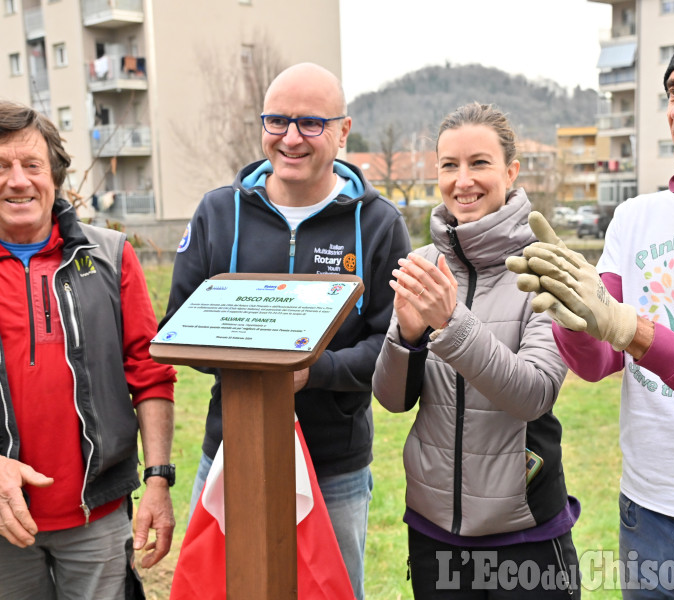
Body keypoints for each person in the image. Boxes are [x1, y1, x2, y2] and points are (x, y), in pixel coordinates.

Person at [508, 16, 674, 599]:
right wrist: (568, 310)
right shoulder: (636, 217)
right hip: (646, 514)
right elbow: (601, 359)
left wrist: (633, 331)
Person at [161, 62, 411, 599]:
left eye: (311, 123)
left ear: (343, 131)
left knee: (331, 591)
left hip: (333, 465)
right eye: (277, 121)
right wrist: (254, 360)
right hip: (231, 450)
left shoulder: (378, 223)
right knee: (222, 590)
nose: (291, 138)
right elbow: (177, 327)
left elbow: (391, 345)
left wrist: (313, 372)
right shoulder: (218, 212)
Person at [372, 102, 578, 599]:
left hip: (525, 532)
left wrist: (450, 323)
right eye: (450, 165)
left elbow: (533, 394)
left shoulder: (548, 268)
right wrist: (406, 335)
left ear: (511, 171)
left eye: (479, 163)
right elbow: (393, 400)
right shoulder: (422, 263)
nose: (463, 180)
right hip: (433, 530)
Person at [0, 101, 177, 599]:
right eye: (2, 167)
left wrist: (158, 480)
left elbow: (149, 371)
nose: (18, 181)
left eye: (31, 165)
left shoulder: (111, 255)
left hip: (97, 515)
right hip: (4, 521)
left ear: (53, 176)